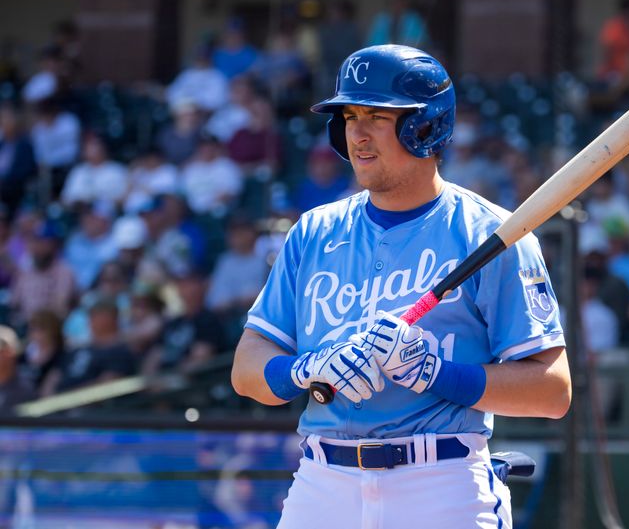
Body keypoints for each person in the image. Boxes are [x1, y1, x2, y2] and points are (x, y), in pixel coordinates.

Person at [230, 45, 571, 528]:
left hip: (441, 482)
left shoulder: (493, 235)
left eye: (376, 115)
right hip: (321, 483)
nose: (358, 134)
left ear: (425, 126)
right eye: (349, 116)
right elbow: (246, 370)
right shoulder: (312, 232)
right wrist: (305, 369)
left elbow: (553, 392)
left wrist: (437, 374)